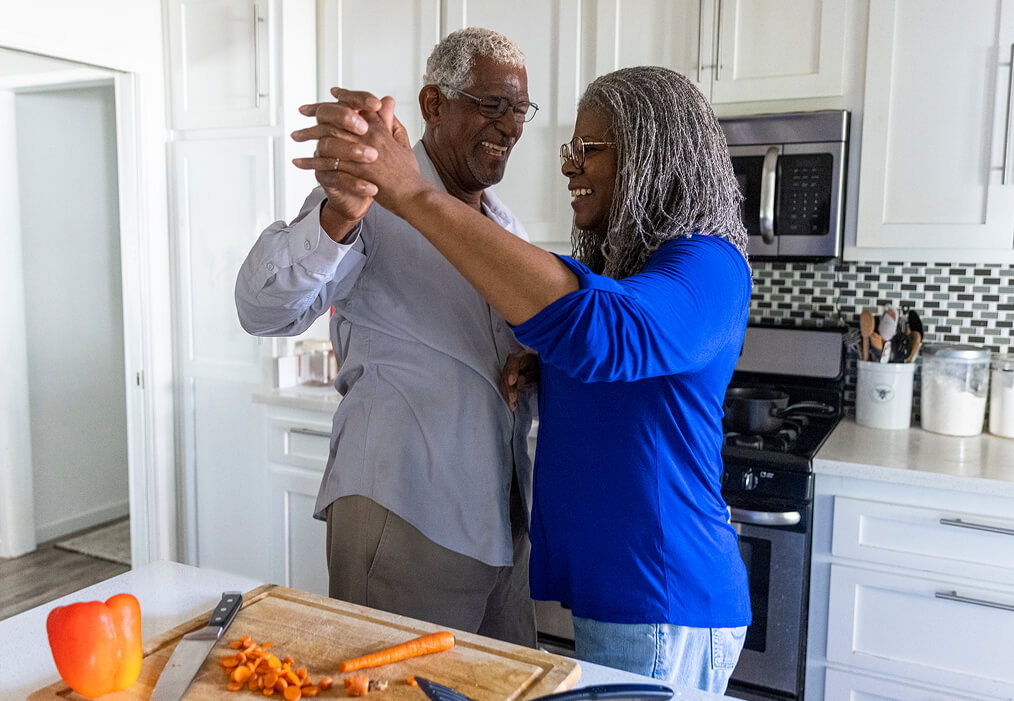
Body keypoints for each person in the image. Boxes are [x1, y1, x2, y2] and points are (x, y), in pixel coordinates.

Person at [295, 66, 754, 692]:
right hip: (622, 591)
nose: (568, 166)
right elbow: (627, 367)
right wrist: (550, 366)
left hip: (664, 594)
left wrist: (413, 193)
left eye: (588, 150)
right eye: (571, 149)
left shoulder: (710, 264)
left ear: (651, 154)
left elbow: (609, 332)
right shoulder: (647, 269)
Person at [233, 27, 538, 647]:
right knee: (389, 686)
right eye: (491, 104)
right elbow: (262, 311)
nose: (510, 126)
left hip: (503, 521)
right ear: (433, 105)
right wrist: (338, 215)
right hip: (405, 510)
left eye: (518, 108)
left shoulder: (507, 226)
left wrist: (531, 360)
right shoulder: (368, 194)